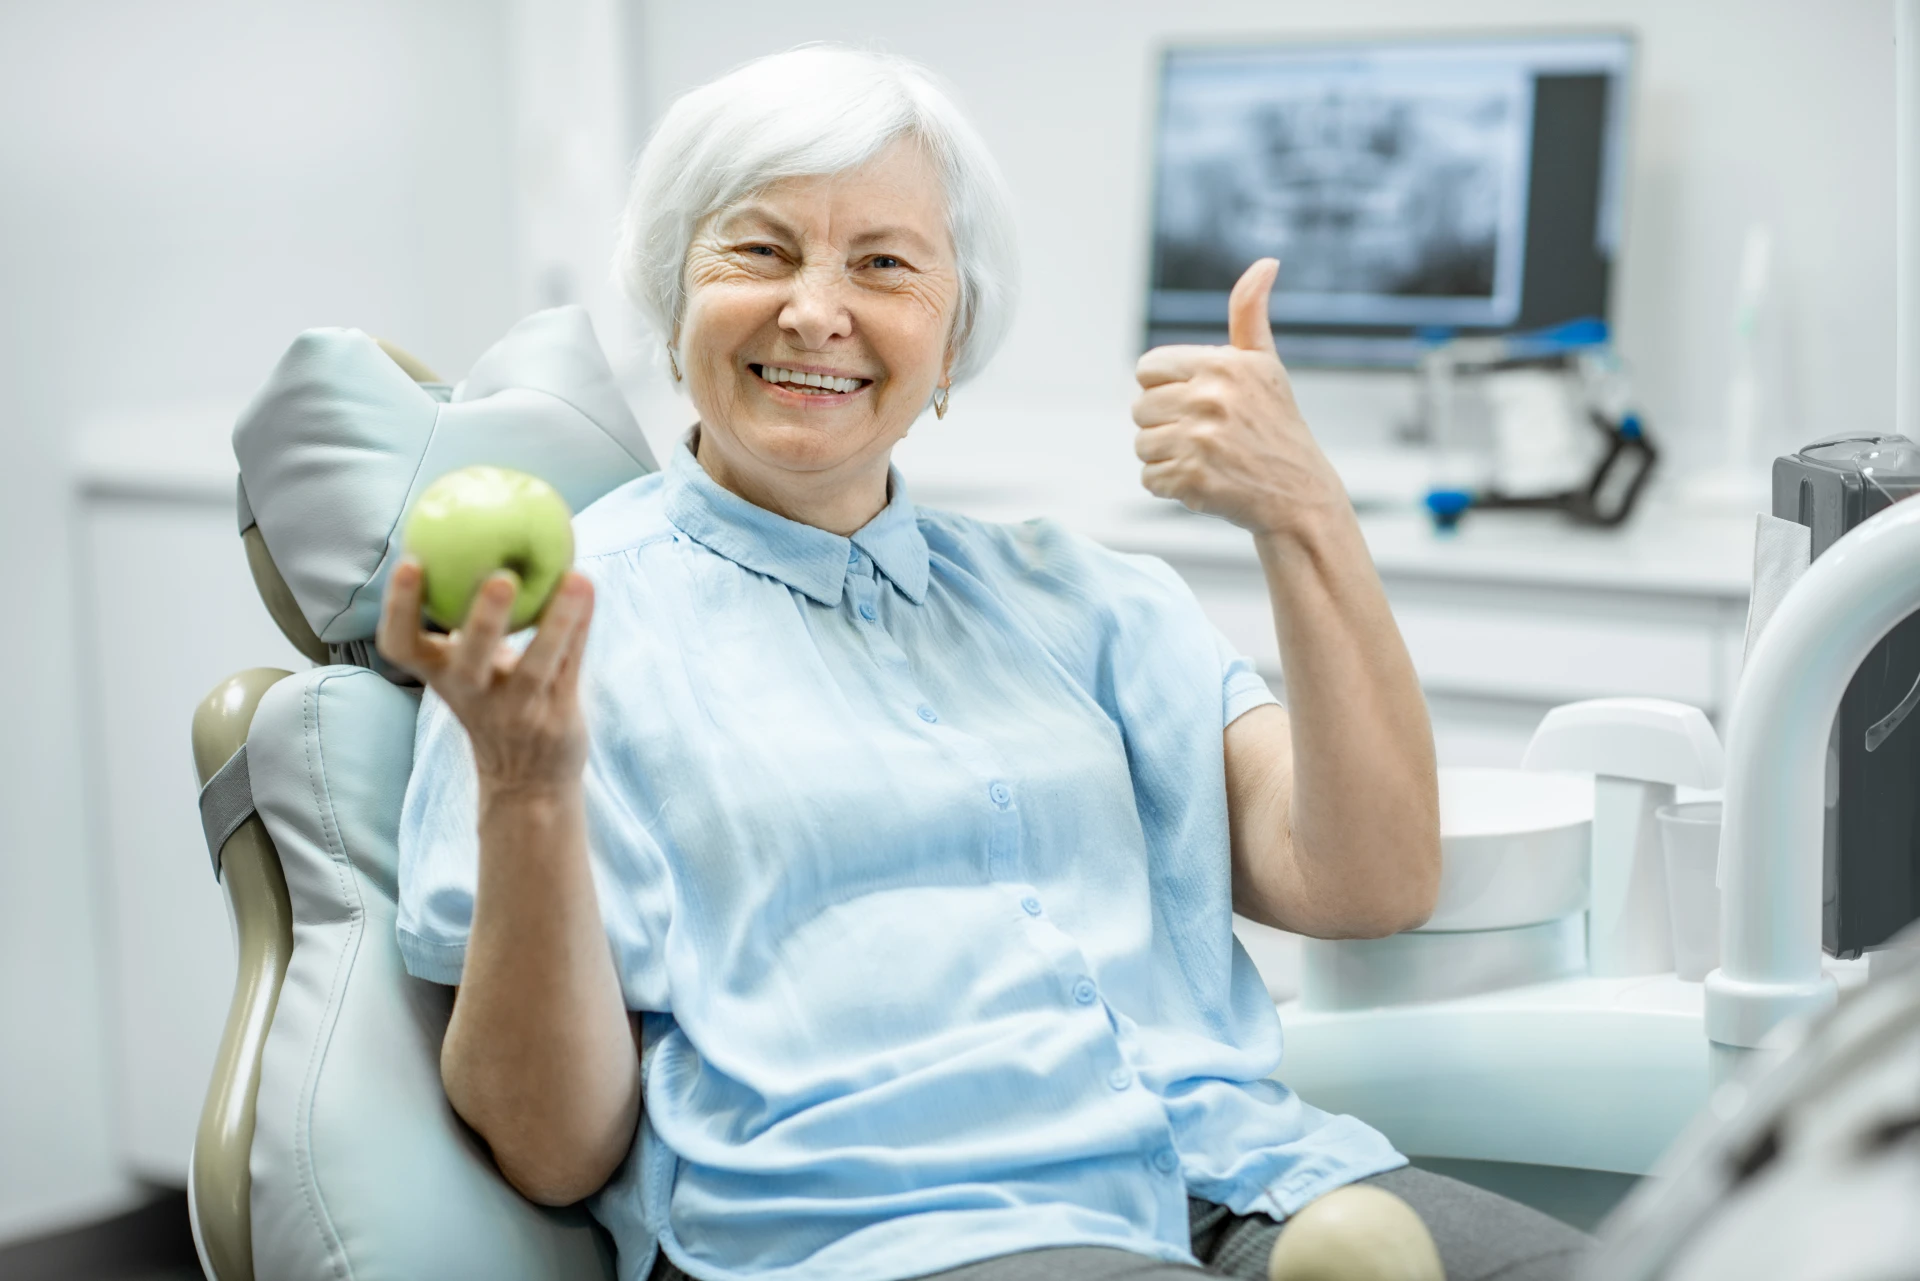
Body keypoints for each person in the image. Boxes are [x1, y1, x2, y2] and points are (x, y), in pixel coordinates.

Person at [378, 45, 1590, 1281]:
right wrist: (525, 786)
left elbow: (1371, 880)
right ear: (672, 294)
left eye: (885, 265)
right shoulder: (558, 638)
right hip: (896, 1235)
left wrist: (1306, 516)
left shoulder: (1085, 600)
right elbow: (554, 1150)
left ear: (951, 338)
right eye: (759, 249)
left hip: (1249, 1176)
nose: (814, 310)